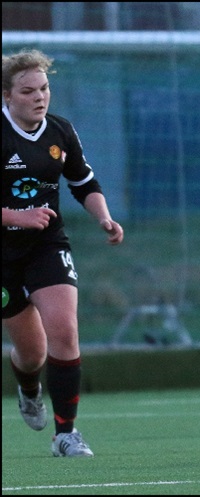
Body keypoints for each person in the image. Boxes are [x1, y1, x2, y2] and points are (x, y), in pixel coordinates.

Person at [2, 49, 125, 457]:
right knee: (32, 353)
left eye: (44, 88)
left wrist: (104, 217)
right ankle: (28, 387)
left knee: (65, 331)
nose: (39, 97)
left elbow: (83, 182)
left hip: (46, 244)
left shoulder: (59, 131)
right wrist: (16, 217)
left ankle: (65, 435)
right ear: (7, 95)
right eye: (28, 91)